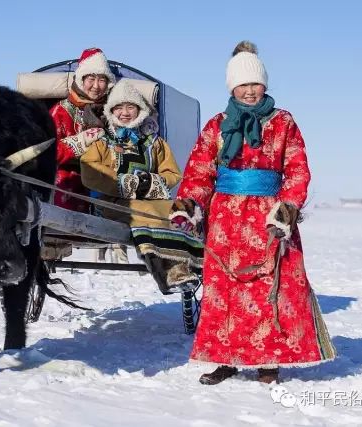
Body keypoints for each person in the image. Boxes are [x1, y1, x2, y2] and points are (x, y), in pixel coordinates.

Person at [171, 41, 336, 385]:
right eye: (242, 85)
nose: (249, 91)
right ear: (232, 87)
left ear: (265, 85)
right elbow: (201, 171)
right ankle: (224, 359)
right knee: (224, 290)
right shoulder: (217, 125)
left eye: (254, 84)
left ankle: (268, 361)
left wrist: (288, 207)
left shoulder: (283, 122)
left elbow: (297, 168)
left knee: (266, 287)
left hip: (268, 217)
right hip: (225, 218)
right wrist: (189, 204)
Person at [81, 79, 203, 294]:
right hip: (113, 203)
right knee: (146, 211)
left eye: (130, 107)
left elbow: (172, 173)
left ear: (139, 110)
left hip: (151, 199)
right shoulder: (102, 142)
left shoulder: (154, 143)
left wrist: (153, 182)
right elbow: (90, 172)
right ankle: (170, 271)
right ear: (111, 111)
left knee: (184, 208)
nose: (125, 112)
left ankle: (195, 263)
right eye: (119, 107)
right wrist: (125, 183)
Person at [50, 47, 115, 213]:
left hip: (106, 185)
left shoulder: (113, 111)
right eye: (91, 79)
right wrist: (80, 143)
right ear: (81, 79)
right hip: (69, 187)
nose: (95, 86)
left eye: (102, 80)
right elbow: (49, 152)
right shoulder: (60, 111)